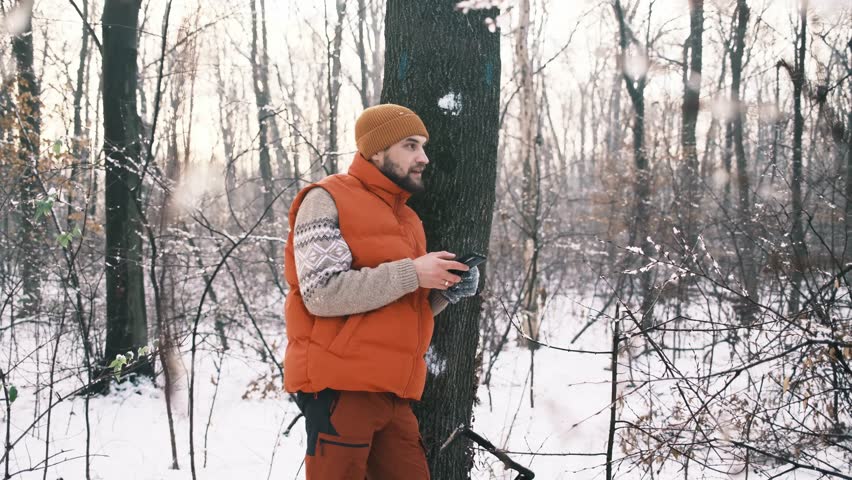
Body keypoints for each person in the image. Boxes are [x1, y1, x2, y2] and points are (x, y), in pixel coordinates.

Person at [282, 103, 480, 479]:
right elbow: (322, 293)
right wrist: (413, 272)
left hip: (393, 393)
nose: (423, 157)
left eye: (423, 146)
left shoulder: (407, 218)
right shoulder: (325, 198)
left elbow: (398, 306)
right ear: (375, 150)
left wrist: (445, 291)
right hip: (340, 388)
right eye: (410, 145)